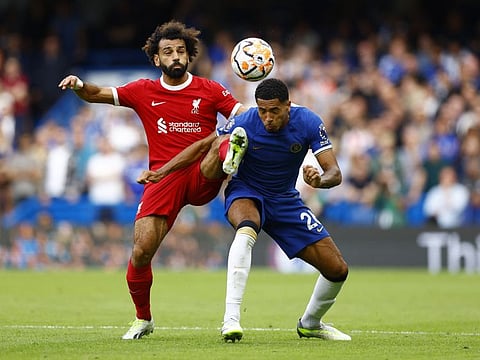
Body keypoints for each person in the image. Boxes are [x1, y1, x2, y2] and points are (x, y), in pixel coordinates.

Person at [58, 20, 248, 340]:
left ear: (189, 56)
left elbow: (242, 114)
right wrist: (79, 85)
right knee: (141, 251)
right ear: (157, 59)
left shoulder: (211, 89)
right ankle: (143, 318)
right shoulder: (143, 91)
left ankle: (231, 157)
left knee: (227, 135)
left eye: (180, 51)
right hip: (163, 176)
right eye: (168, 52)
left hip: (203, 172)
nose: (175, 56)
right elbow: (96, 93)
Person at [142, 78, 351, 342]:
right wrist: (163, 171)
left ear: (288, 105)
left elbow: (335, 172)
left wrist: (319, 180)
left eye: (274, 111)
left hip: (285, 200)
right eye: (262, 110)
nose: (267, 118)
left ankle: (310, 323)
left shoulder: (309, 122)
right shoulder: (245, 121)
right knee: (247, 227)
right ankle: (230, 319)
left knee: (337, 270)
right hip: (246, 190)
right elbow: (201, 146)